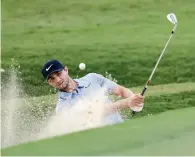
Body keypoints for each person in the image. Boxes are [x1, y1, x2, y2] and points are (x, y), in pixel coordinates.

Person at [41, 59, 144, 125]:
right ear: (49, 83)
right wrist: (127, 103)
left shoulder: (92, 78)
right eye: (52, 79)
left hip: (122, 129)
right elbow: (98, 112)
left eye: (58, 74)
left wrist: (135, 99)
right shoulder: (62, 108)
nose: (58, 80)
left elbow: (121, 91)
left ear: (66, 70)